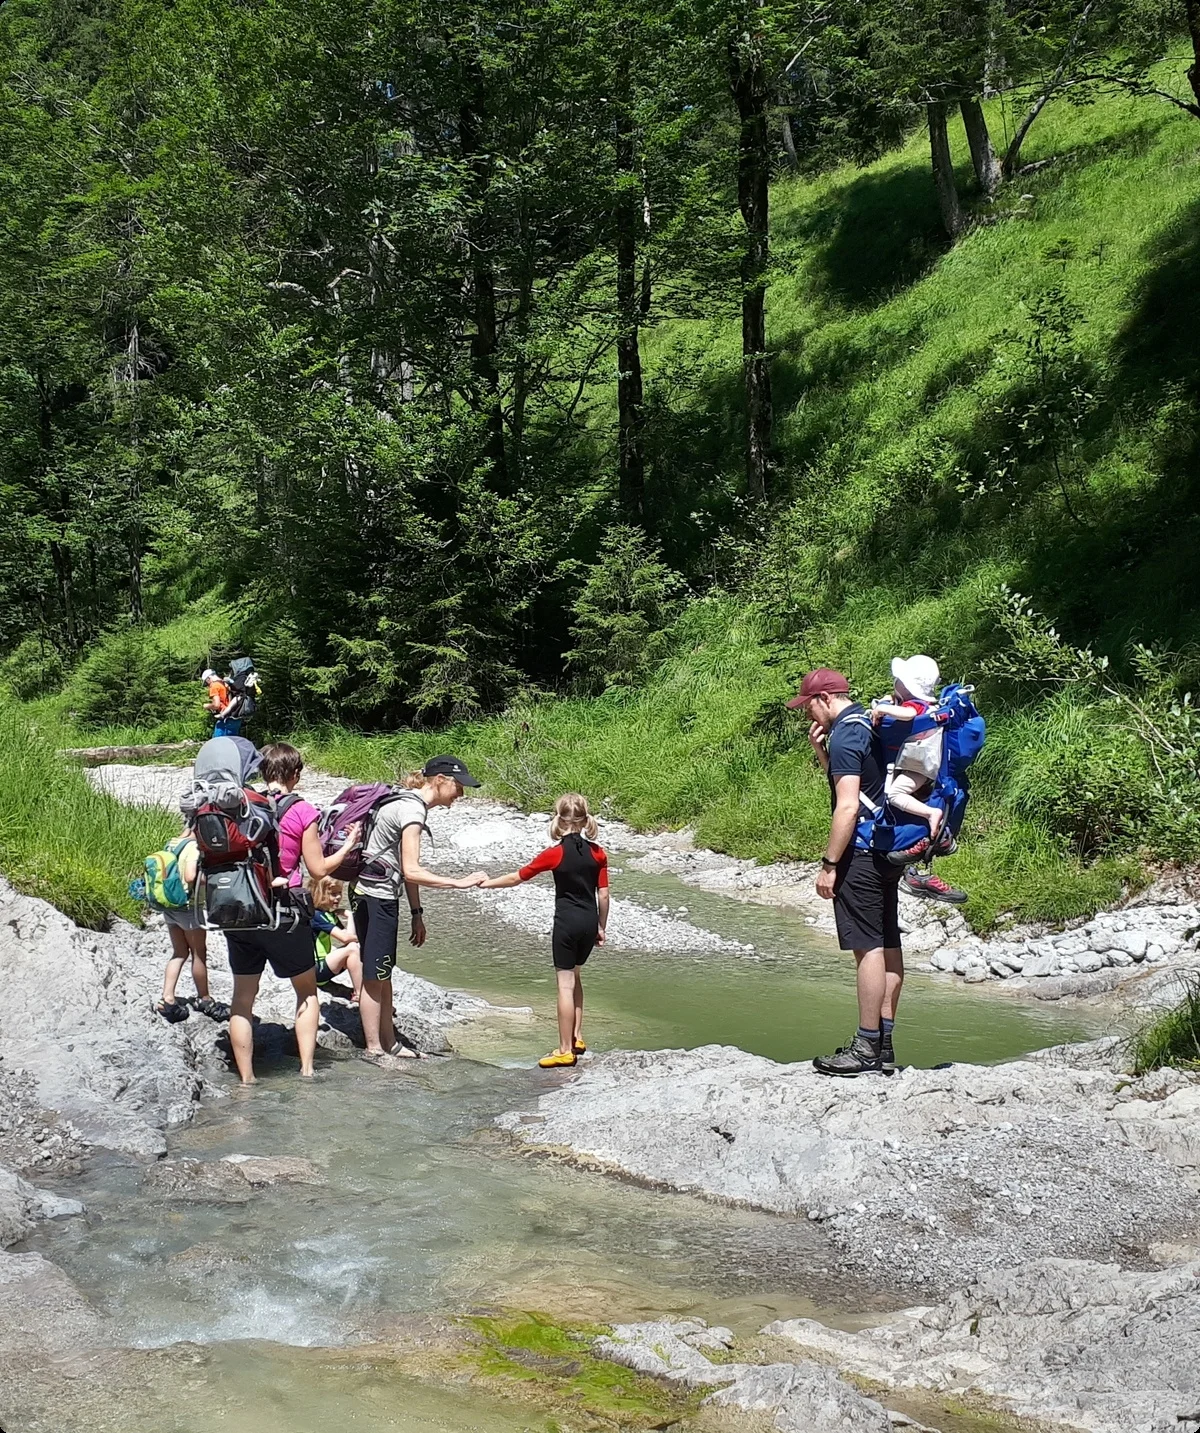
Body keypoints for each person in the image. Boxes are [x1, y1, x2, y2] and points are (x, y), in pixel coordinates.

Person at [224, 742, 360, 1084]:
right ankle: (307, 1071)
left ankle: (247, 1080)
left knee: (242, 1000)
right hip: (284, 913)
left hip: (240, 912)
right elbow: (317, 869)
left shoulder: (242, 804)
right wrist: (346, 847)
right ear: (295, 774)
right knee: (306, 991)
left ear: (262, 772)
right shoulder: (302, 811)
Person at [788, 668, 902, 1077]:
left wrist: (829, 865)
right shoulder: (864, 725)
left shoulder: (846, 734)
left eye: (808, 706)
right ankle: (884, 1045)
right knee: (888, 941)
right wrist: (823, 754)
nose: (807, 715)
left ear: (825, 698)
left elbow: (848, 806)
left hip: (862, 854)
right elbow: (860, 787)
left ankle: (866, 1047)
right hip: (888, 851)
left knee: (867, 946)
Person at [351, 755, 487, 1066]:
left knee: (382, 972)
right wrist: (459, 883)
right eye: (458, 786)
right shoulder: (412, 810)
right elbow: (411, 870)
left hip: (366, 892)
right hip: (378, 896)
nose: (461, 794)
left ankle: (390, 1042)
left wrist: (416, 912)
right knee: (375, 975)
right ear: (440, 780)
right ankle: (375, 1048)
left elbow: (400, 864)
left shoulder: (405, 800)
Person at [481, 793, 609, 1069]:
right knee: (576, 976)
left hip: (566, 923)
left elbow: (518, 877)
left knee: (564, 984)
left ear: (559, 820)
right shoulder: (598, 853)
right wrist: (601, 926)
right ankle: (576, 1037)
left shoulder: (555, 853)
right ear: (586, 819)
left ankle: (564, 1050)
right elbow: (604, 895)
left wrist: (486, 884)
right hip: (589, 922)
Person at [871, 654, 950, 864]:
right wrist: (889, 701)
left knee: (895, 794)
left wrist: (881, 708)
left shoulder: (914, 706)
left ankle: (931, 814)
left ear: (905, 685)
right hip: (924, 763)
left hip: (918, 767)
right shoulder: (929, 705)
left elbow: (907, 714)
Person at [154, 830, 230, 1024]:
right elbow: (190, 876)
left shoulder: (172, 843)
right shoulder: (193, 848)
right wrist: (212, 879)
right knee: (198, 953)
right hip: (189, 908)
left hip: (170, 905)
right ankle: (204, 998)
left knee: (179, 952)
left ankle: (167, 997)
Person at [309, 876, 363, 1002]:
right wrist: (362, 938)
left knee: (356, 949)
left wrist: (350, 917)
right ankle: (360, 993)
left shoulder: (329, 915)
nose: (338, 897)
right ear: (319, 893)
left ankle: (363, 987)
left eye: (340, 893)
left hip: (324, 965)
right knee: (353, 949)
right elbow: (345, 938)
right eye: (333, 894)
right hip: (316, 968)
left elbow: (349, 937)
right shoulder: (316, 915)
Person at [201, 667, 242, 739]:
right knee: (233, 743)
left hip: (225, 719)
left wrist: (207, 706)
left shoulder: (214, 686)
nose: (207, 684)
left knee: (217, 743)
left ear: (208, 678)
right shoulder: (225, 683)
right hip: (235, 717)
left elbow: (216, 705)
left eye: (206, 682)